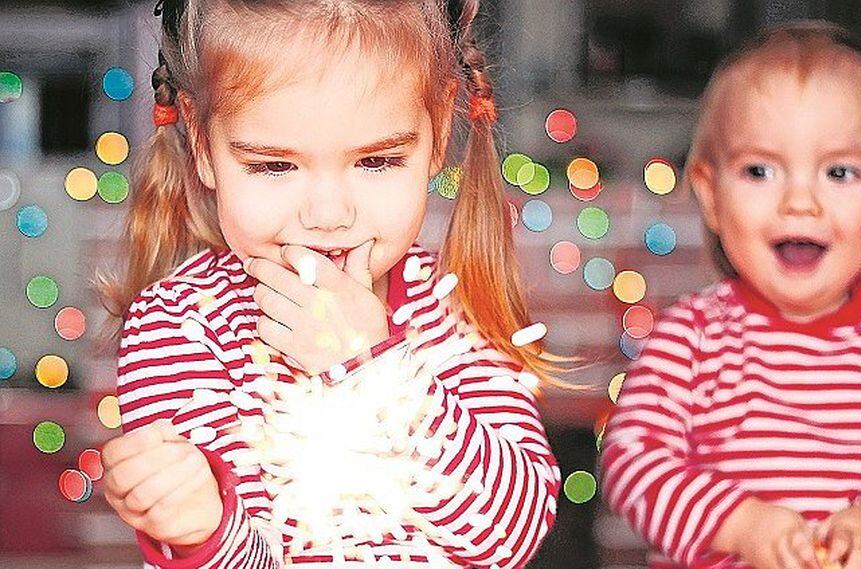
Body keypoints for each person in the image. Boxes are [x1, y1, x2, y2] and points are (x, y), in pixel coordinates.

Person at [93, 0, 561, 566]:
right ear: (201, 142)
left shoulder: (456, 305)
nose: (329, 214)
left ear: (438, 130)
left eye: (377, 161)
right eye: (273, 166)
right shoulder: (180, 326)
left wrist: (376, 370)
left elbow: (511, 536)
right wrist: (203, 530)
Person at [601, 21, 861, 569]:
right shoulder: (693, 336)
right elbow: (631, 463)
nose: (799, 202)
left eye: (839, 172)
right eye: (759, 171)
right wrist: (739, 524)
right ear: (711, 195)